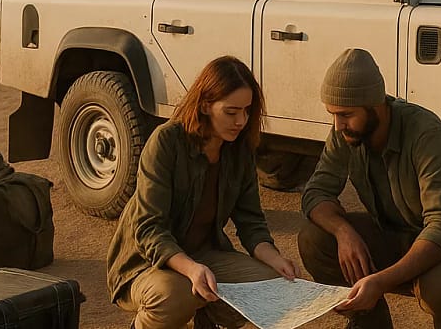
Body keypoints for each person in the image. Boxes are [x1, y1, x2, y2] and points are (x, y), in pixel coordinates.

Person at [299, 48, 441, 329]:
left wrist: (379, 281)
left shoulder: (425, 132)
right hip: (395, 236)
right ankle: (370, 323)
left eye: (346, 115)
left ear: (375, 106)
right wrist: (344, 233)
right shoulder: (346, 131)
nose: (338, 125)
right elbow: (316, 193)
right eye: (333, 115)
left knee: (438, 286)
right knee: (314, 240)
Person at [107, 56, 299, 329]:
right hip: (146, 263)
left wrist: (276, 259)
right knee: (176, 294)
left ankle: (210, 321)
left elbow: (251, 223)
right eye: (231, 112)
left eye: (246, 111)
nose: (241, 121)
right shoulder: (166, 142)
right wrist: (191, 269)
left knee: (271, 288)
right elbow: (149, 228)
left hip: (204, 254)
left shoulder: (239, 150)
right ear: (206, 105)